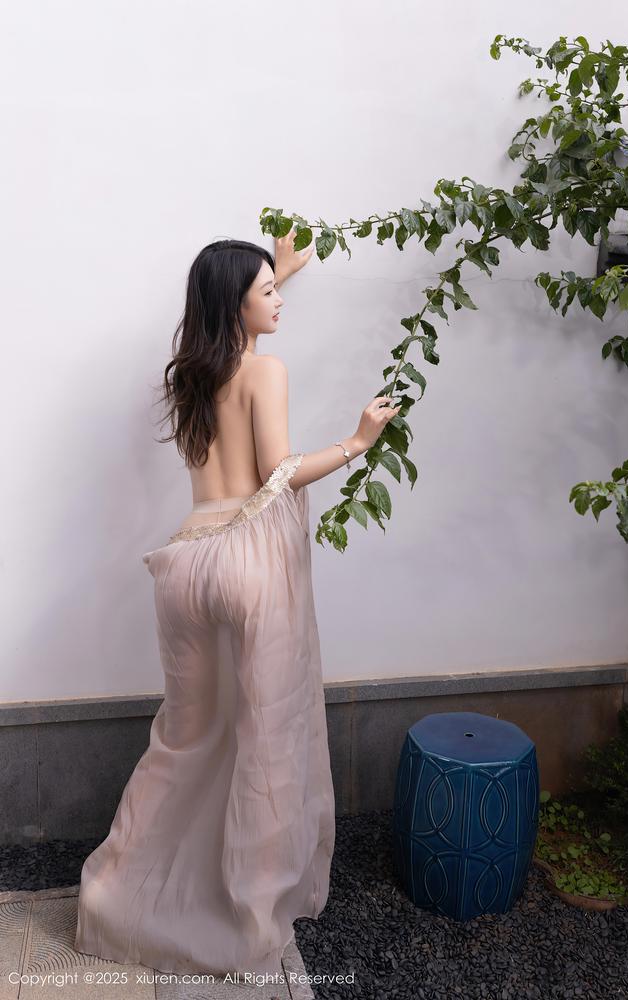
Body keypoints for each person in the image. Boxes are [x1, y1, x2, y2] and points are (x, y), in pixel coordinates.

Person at [73, 234, 401, 978]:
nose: (280, 301)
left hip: (186, 563)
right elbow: (276, 474)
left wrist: (274, 270)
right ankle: (248, 915)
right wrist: (358, 440)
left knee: (184, 740)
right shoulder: (266, 370)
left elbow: (229, 317)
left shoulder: (191, 375)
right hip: (248, 565)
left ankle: (116, 895)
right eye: (268, 292)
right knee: (264, 741)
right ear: (238, 305)